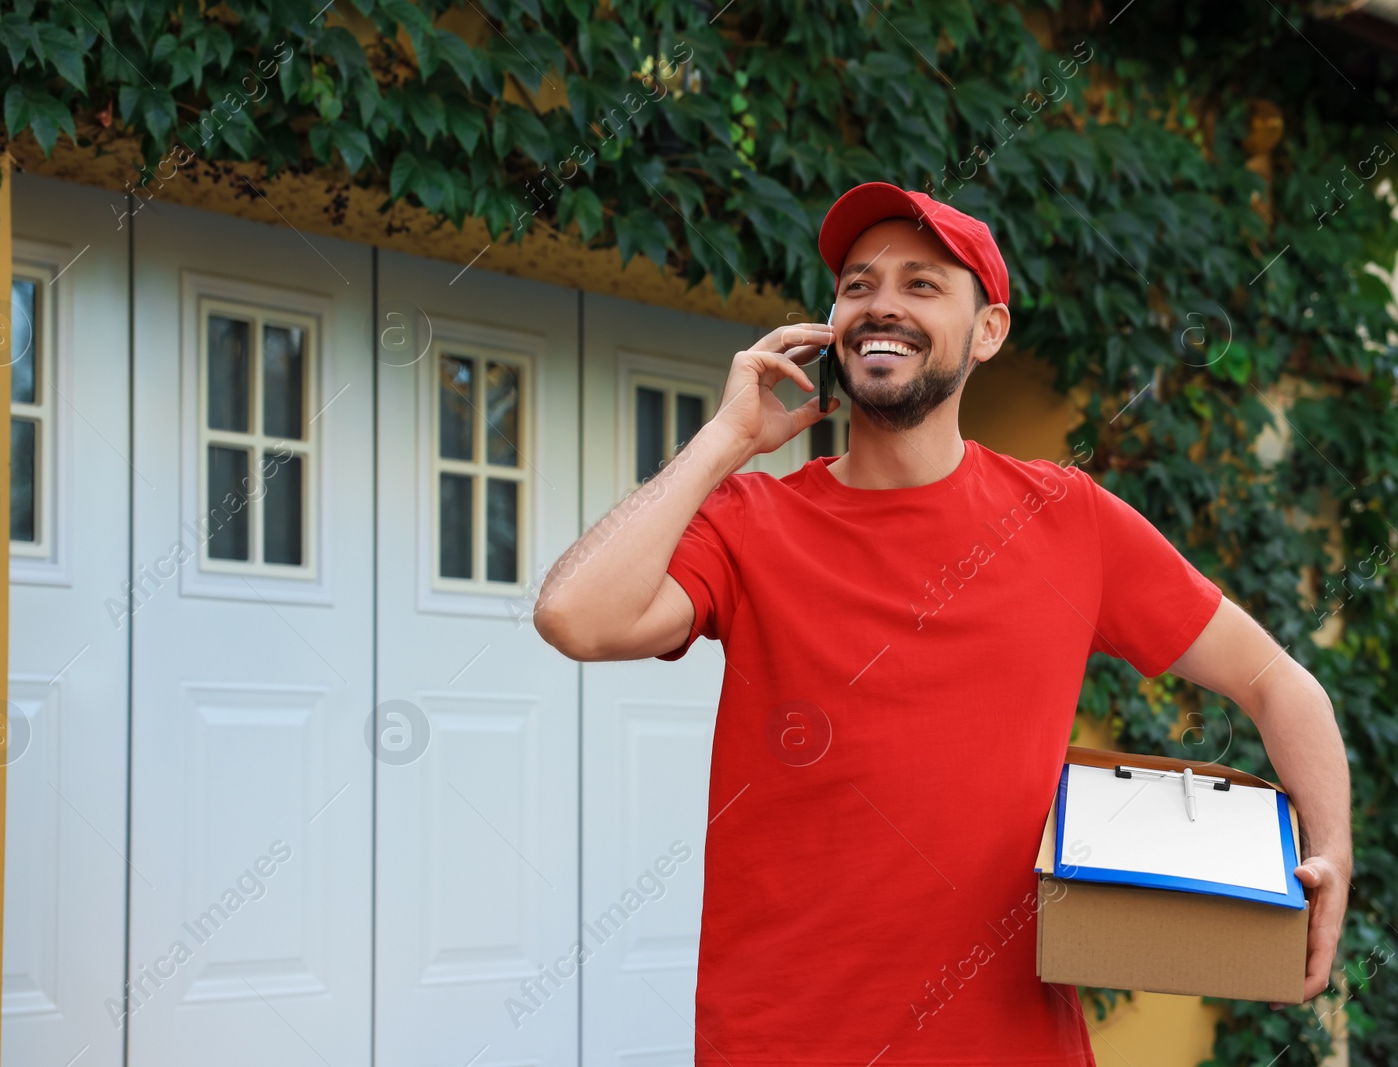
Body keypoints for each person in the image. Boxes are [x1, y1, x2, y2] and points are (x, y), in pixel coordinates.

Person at [533, 181, 1351, 1065]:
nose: (881, 302)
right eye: (857, 283)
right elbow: (576, 615)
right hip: (783, 1040)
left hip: (1010, 1044)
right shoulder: (748, 519)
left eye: (922, 284)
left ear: (988, 330)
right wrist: (724, 440)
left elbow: (1277, 682)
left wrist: (1332, 851)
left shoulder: (1066, 519)